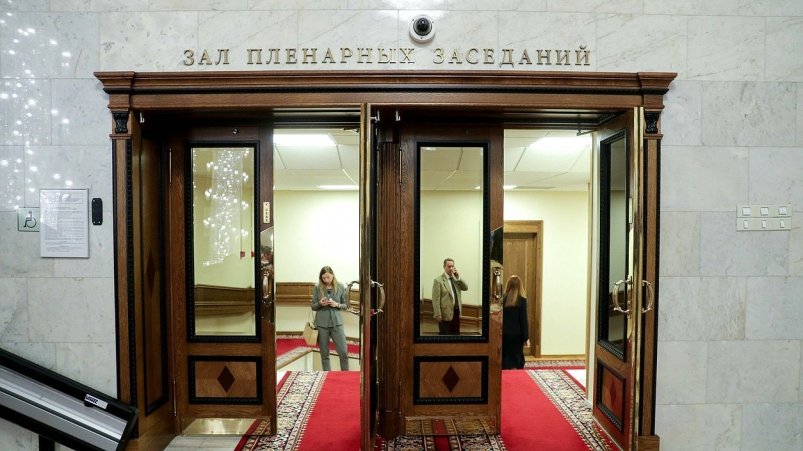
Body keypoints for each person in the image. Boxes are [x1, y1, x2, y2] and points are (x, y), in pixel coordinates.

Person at [310, 266, 350, 371]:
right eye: (323, 278)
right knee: (324, 354)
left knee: (343, 352)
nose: (326, 280)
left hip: (337, 323)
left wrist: (337, 304)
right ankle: (327, 375)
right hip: (321, 324)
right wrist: (320, 303)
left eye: (328, 277)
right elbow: (313, 306)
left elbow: (346, 305)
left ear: (332, 275)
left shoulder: (340, 286)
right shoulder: (317, 287)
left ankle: (345, 375)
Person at [431, 258, 468, 335]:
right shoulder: (438, 280)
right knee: (445, 336)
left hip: (456, 312)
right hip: (445, 314)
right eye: (449, 266)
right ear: (444, 267)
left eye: (452, 266)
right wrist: (438, 314)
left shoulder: (456, 279)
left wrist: (458, 278)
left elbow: (465, 288)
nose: (451, 268)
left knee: (456, 335)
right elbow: (435, 300)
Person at [502, 275, 530, 369]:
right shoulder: (522, 300)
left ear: (508, 285)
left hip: (504, 334)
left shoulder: (503, 299)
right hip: (517, 335)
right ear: (520, 286)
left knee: (506, 356)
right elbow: (523, 320)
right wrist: (526, 337)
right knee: (517, 357)